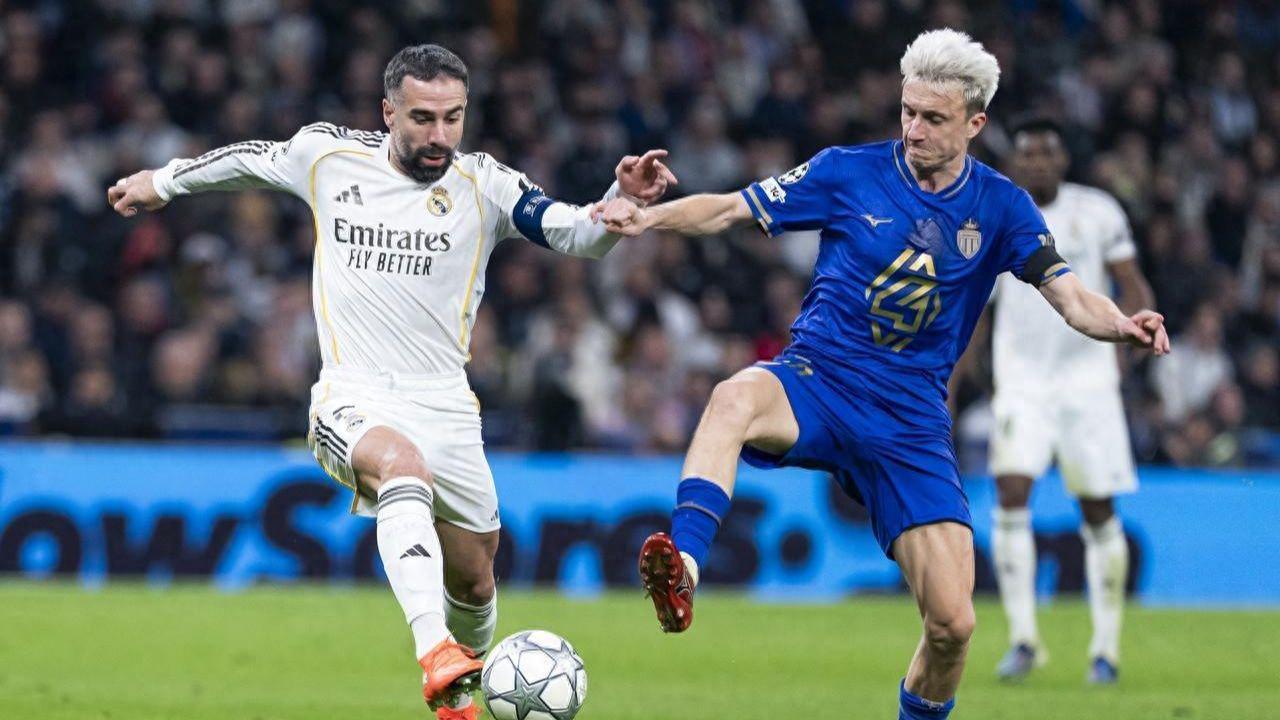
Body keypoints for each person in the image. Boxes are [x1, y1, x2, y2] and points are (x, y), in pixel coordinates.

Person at [596, 29, 1169, 720]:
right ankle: (684, 569)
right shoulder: (847, 171)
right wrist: (647, 216)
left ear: (974, 124)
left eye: (934, 118)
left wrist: (1123, 323)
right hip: (820, 379)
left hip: (910, 421)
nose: (913, 130)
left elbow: (1072, 297)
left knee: (953, 627)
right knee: (733, 396)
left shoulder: (1002, 207)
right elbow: (728, 208)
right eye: (907, 111)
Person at [107, 44, 675, 719]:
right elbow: (246, 160)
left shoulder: (485, 183)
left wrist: (616, 202)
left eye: (453, 118)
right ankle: (434, 650)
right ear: (388, 112)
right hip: (352, 394)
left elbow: (574, 231)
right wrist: (164, 181)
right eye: (423, 118)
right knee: (401, 467)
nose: (440, 135)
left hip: (447, 403)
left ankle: (457, 698)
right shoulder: (327, 155)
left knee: (475, 578)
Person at [983, 117, 1156, 684]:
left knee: (1097, 507)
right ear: (1016, 162)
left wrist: (1135, 336)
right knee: (1011, 492)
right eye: (1027, 154)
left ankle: (1105, 649)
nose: (1037, 162)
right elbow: (978, 308)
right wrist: (954, 378)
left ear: (1063, 159)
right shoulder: (997, 214)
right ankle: (1023, 640)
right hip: (1021, 381)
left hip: (1088, 382)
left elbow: (1131, 282)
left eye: (1046, 153)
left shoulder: (1098, 211)